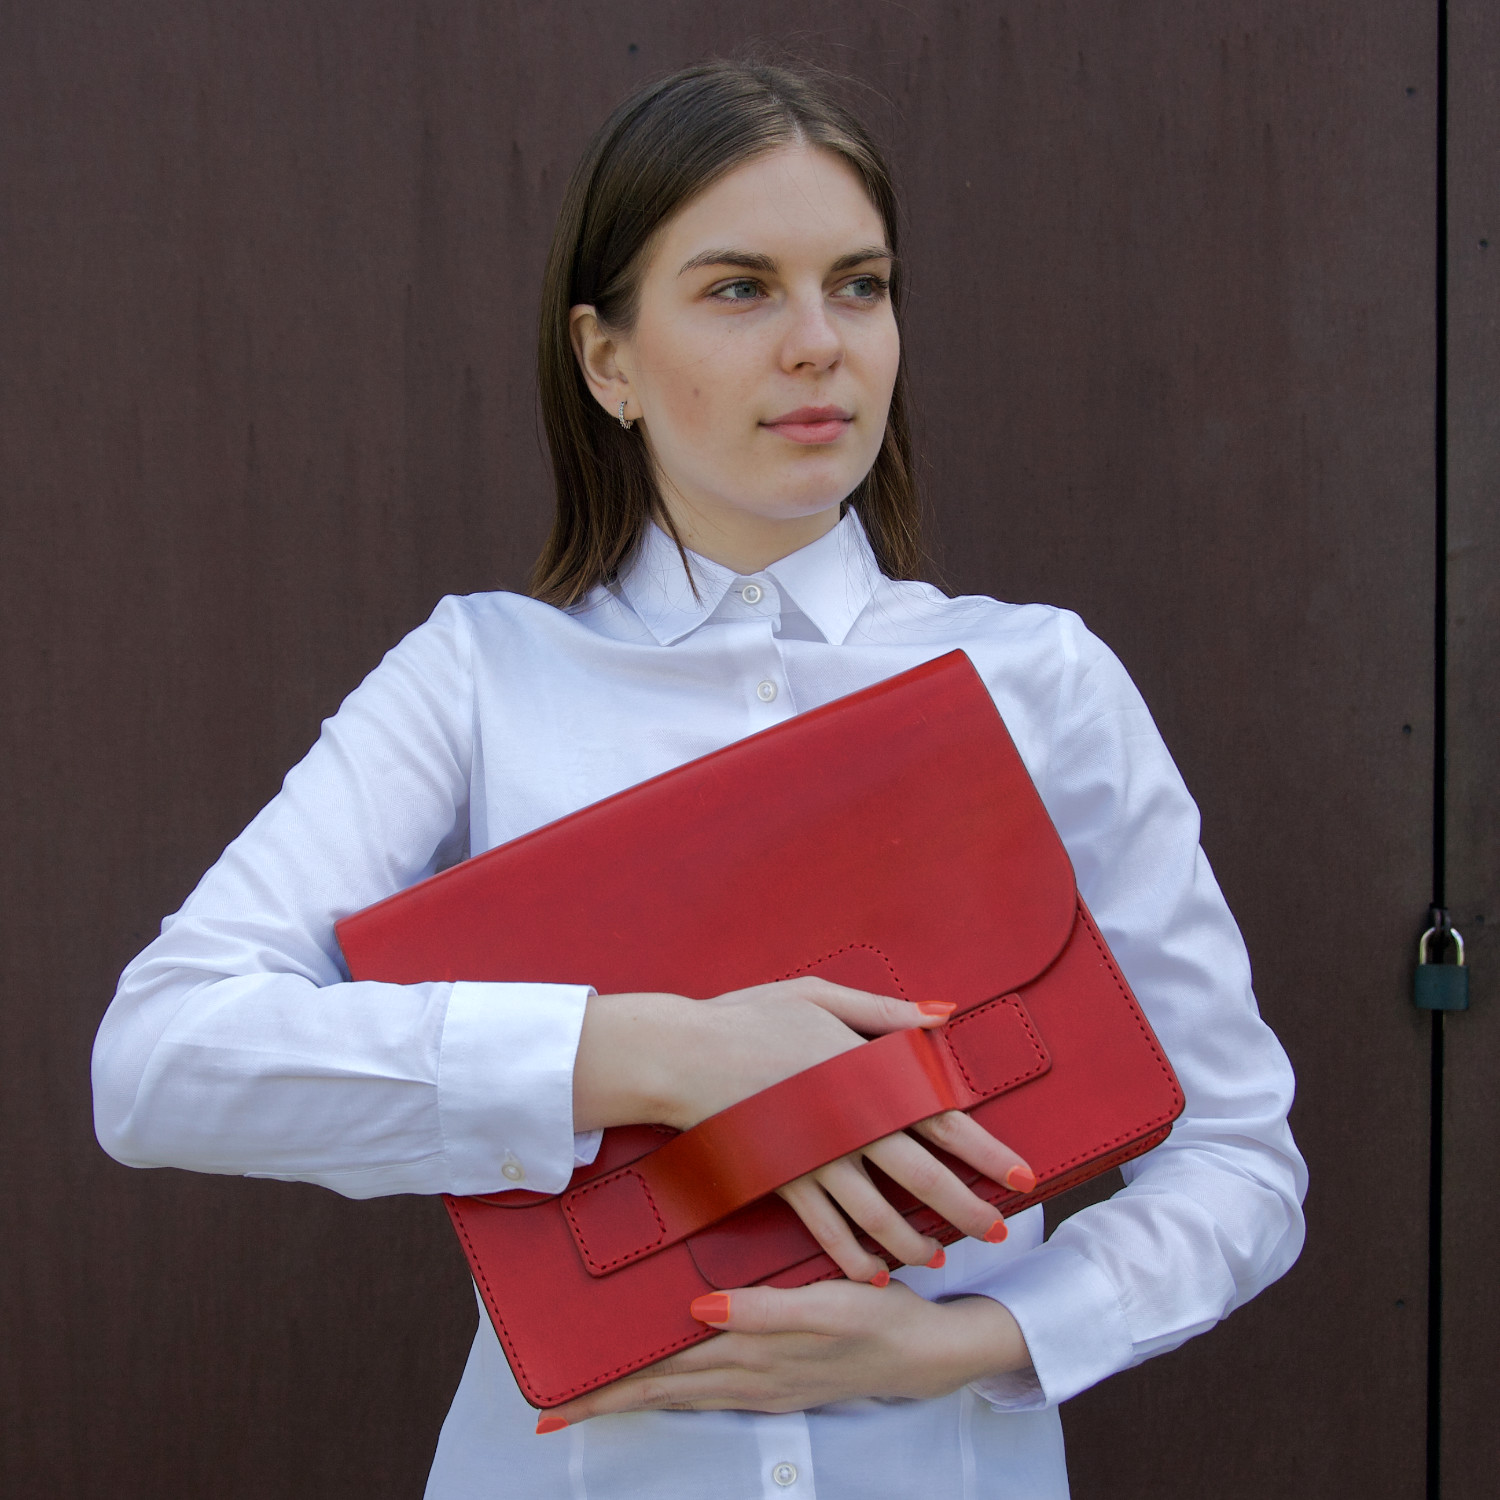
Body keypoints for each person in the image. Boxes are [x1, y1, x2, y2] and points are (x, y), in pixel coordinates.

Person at [92, 60, 1306, 1500]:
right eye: (740, 289)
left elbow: (1242, 1166)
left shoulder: (1038, 683)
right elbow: (161, 1064)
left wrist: (964, 1342)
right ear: (606, 359)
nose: (819, 344)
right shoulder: (479, 678)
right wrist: (654, 1052)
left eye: (858, 286)